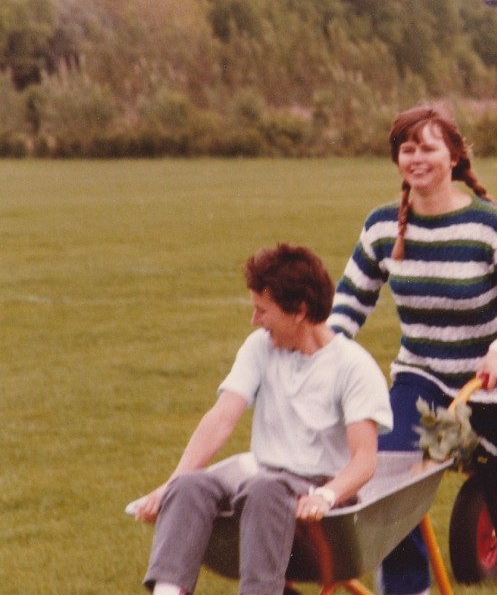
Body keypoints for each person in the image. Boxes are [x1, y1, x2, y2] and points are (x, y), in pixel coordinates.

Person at [328, 105, 497, 595]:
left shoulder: (491, 226)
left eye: (427, 147)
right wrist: (324, 351)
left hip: (492, 393)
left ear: (453, 155)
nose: (416, 157)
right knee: (391, 487)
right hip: (424, 384)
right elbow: (350, 299)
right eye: (407, 149)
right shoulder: (383, 227)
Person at [135, 243, 393, 595]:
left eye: (262, 310)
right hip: (265, 478)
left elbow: (364, 461)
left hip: (319, 493)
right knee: (189, 486)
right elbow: (223, 417)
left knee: (264, 488)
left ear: (299, 311)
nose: (255, 321)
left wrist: (326, 496)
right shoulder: (260, 348)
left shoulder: (353, 367)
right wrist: (171, 484)